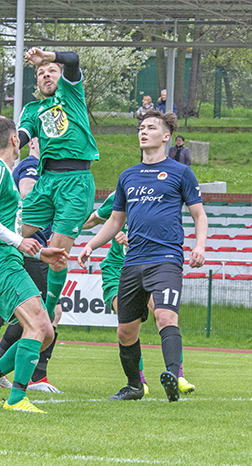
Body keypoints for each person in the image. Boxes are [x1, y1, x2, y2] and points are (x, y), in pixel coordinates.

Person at [78, 110, 207, 402]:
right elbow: (114, 221)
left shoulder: (181, 172)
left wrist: (199, 246)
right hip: (133, 261)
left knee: (164, 315)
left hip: (166, 259)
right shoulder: (128, 176)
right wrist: (92, 245)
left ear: (166, 136)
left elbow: (199, 215)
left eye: (151, 127)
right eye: (141, 127)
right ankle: (135, 386)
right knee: (126, 331)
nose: (143, 131)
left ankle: (173, 376)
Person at [0, 117, 68, 414]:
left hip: (6, 258)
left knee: (46, 331)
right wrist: (18, 241)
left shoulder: (1, 171)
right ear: (15, 140)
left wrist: (40, 253)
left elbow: (4, 223)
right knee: (38, 325)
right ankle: (18, 397)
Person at [16, 47, 99, 327]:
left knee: (58, 254)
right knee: (11, 236)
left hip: (75, 182)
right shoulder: (32, 109)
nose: (46, 74)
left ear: (60, 75)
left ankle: (49, 309)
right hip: (46, 181)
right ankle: (10, 295)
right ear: (37, 83)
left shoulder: (72, 95)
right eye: (40, 73)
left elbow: (74, 58)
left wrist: (47, 57)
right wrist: (7, 137)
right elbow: (23, 135)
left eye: (51, 70)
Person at [83, 192, 196, 395]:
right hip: (117, 269)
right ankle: (139, 381)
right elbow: (91, 221)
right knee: (127, 325)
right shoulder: (122, 193)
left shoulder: (162, 195)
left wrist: (131, 241)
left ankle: (176, 375)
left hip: (150, 264)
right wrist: (62, 226)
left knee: (164, 315)